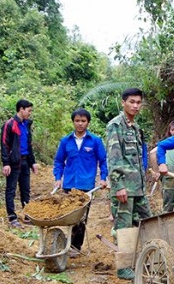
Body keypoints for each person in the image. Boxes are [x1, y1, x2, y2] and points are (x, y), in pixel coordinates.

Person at [106, 88, 152, 280]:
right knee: (124, 229)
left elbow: (138, 159)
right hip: (124, 187)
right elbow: (114, 158)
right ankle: (124, 268)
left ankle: (147, 259)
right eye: (132, 102)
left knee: (148, 221)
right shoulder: (115, 125)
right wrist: (118, 186)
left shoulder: (135, 127)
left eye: (138, 102)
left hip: (138, 188)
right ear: (123, 102)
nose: (135, 106)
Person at [53, 108, 108, 255]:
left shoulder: (95, 141)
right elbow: (59, 161)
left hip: (86, 186)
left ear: (88, 123)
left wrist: (103, 178)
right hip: (69, 185)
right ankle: (67, 243)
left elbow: (103, 161)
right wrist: (58, 179)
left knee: (81, 218)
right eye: (77, 121)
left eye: (83, 121)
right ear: (73, 122)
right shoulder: (66, 141)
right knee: (69, 216)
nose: (80, 124)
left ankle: (75, 247)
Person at [0, 99, 38, 229]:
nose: (30, 113)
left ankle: (27, 215)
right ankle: (12, 217)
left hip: (25, 161)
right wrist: (6, 163)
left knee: (25, 189)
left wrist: (33, 162)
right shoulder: (9, 124)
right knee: (11, 190)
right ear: (21, 109)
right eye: (29, 110)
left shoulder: (26, 124)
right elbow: (4, 144)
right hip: (13, 162)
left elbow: (29, 145)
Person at [148, 121, 174, 213]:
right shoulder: (166, 143)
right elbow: (152, 153)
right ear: (169, 131)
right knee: (169, 205)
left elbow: (152, 153)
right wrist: (156, 172)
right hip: (169, 175)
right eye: (173, 130)